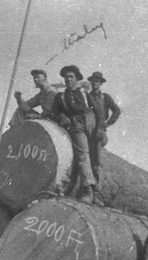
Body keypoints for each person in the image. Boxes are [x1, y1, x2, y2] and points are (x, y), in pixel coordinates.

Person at [51, 65, 105, 203]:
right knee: (82, 155)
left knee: (96, 159)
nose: (68, 79)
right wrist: (62, 117)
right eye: (66, 77)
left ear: (77, 79)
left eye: (71, 77)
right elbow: (54, 113)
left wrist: (100, 129)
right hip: (76, 126)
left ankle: (97, 194)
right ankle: (88, 188)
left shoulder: (85, 94)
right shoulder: (60, 96)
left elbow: (99, 112)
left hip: (91, 123)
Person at [88, 71, 121, 186]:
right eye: (93, 81)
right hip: (89, 130)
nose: (95, 84)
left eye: (97, 81)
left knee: (95, 159)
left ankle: (96, 187)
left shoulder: (105, 97)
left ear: (100, 83)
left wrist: (107, 124)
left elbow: (117, 111)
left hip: (100, 132)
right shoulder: (87, 97)